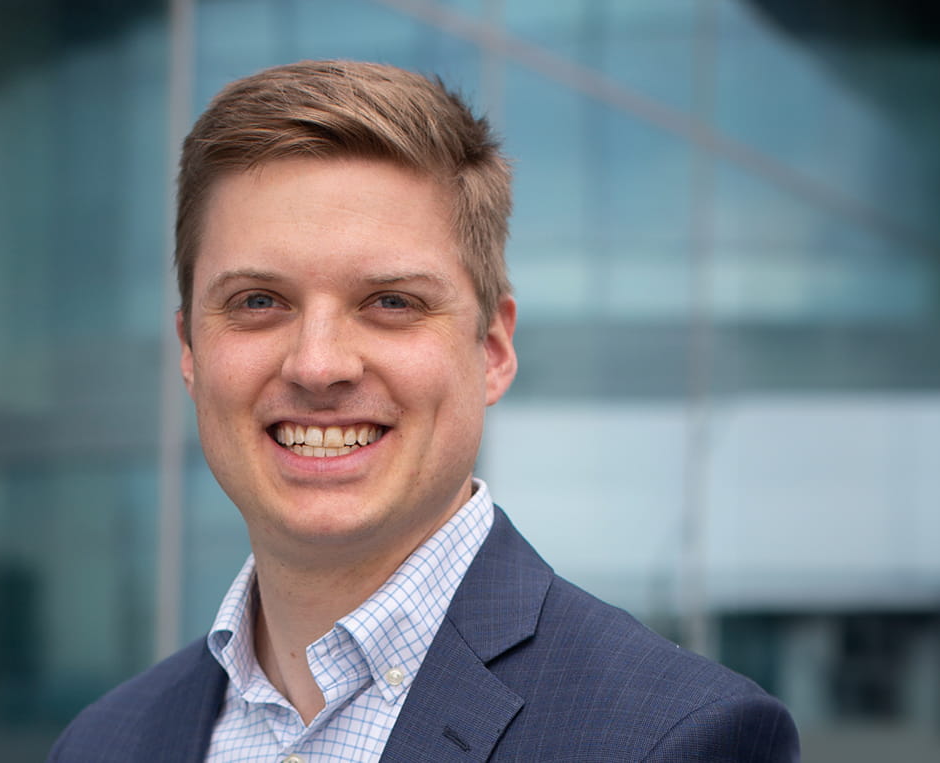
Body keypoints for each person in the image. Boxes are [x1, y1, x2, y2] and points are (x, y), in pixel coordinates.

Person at [48, 60, 799, 762]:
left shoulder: (675, 737)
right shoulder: (102, 742)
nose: (317, 364)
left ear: (494, 348)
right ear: (189, 349)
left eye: (391, 302)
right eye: (258, 302)